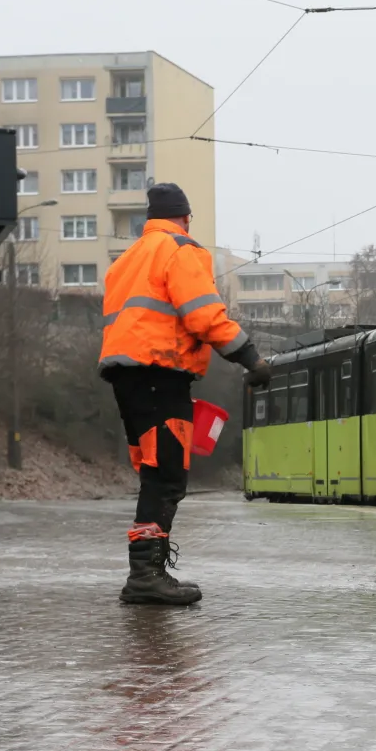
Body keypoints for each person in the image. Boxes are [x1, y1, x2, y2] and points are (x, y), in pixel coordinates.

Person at [98, 182, 270, 606]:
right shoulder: (181, 249)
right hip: (160, 373)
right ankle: (146, 577)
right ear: (186, 217)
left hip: (126, 376)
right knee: (167, 475)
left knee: (154, 473)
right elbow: (203, 315)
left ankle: (144, 573)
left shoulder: (127, 260)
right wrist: (251, 359)